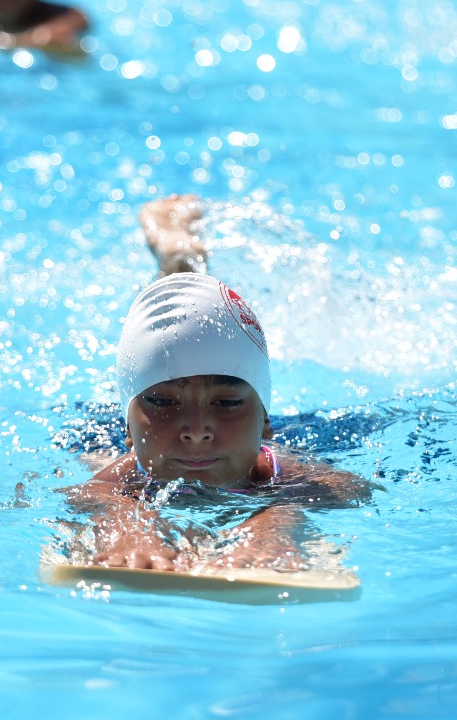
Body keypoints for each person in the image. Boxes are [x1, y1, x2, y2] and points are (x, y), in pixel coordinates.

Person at [63, 196, 371, 572]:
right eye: (163, 401)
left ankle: (181, 261)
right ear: (127, 426)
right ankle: (179, 260)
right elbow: (90, 494)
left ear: (266, 419)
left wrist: (275, 520)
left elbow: (352, 489)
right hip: (121, 440)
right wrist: (125, 525)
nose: (196, 431)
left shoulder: (281, 472)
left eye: (226, 402)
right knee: (94, 455)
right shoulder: (124, 473)